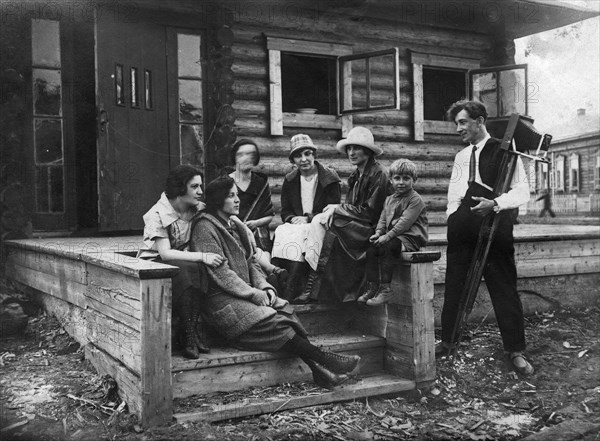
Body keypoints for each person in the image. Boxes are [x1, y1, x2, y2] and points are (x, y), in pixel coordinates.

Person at [190, 176, 361, 389]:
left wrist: (264, 287)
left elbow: (251, 262)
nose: (237, 200)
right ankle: (327, 360)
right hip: (222, 302)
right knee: (275, 322)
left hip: (242, 294)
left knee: (284, 312)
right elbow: (221, 273)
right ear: (217, 201)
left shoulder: (234, 225)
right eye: (231, 196)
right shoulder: (204, 228)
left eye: (236, 195)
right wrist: (252, 294)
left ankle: (321, 371)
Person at [438, 99, 534, 376]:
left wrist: (494, 204)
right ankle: (448, 341)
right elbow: (453, 197)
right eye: (456, 123)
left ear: (480, 121)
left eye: (463, 122)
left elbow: (522, 192)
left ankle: (515, 350)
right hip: (463, 230)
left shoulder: (506, 152)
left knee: (503, 288)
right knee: (455, 285)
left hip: (497, 227)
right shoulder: (461, 157)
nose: (458, 129)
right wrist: (455, 219)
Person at [294, 126, 390, 304]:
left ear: (368, 151)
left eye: (357, 148)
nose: (352, 153)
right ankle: (311, 287)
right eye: (349, 149)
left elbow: (370, 212)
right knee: (322, 221)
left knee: (332, 226)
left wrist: (338, 208)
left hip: (374, 230)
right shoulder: (356, 175)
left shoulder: (379, 174)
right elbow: (352, 207)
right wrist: (336, 209)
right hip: (360, 225)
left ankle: (314, 289)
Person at [139, 165, 224, 359]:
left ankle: (191, 331)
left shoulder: (197, 209)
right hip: (155, 263)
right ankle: (188, 335)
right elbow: (166, 254)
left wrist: (241, 226)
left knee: (196, 268)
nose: (200, 192)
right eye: (195, 187)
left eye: (200, 186)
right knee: (190, 268)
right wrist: (203, 256)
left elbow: (223, 215)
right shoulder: (157, 214)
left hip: (184, 262)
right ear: (179, 189)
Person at [271, 134, 341, 302]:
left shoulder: (329, 178)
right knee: (282, 231)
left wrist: (308, 218)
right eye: (298, 155)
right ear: (293, 160)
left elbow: (333, 209)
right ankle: (283, 285)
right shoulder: (290, 180)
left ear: (314, 155)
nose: (304, 159)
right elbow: (285, 211)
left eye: (308, 154)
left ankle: (293, 290)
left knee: (303, 236)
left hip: (322, 225)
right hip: (299, 226)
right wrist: (292, 219)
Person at [358, 159, 428, 306]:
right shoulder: (389, 199)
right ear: (390, 180)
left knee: (389, 246)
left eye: (406, 178)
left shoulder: (415, 200)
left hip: (411, 237)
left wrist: (386, 237)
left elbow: (404, 223)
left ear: (414, 180)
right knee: (371, 249)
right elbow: (383, 219)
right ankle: (372, 286)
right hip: (392, 236)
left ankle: (385, 290)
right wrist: (378, 233)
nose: (401, 182)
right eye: (397, 178)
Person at [228, 138, 287, 287]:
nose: (246, 158)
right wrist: (240, 225)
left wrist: (255, 223)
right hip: (233, 231)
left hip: (258, 231)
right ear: (234, 157)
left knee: (261, 248)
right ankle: (271, 272)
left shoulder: (260, 182)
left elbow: (269, 216)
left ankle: (268, 280)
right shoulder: (226, 182)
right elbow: (220, 213)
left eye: (251, 154)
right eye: (241, 154)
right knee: (249, 248)